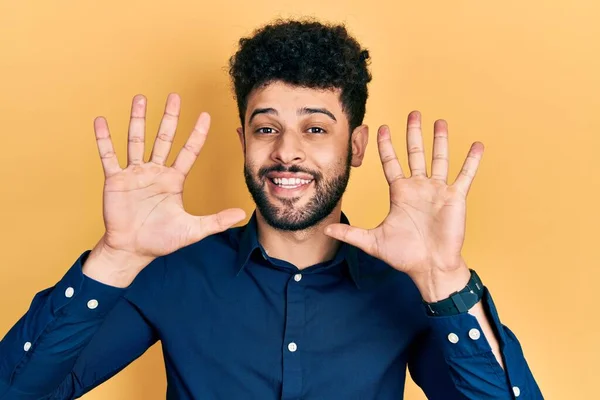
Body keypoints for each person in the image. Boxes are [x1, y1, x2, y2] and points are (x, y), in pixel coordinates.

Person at [0, 19, 543, 400]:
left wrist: (445, 280)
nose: (287, 151)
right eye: (267, 128)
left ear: (354, 146)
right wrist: (114, 258)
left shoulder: (407, 287)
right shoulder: (174, 272)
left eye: (314, 128)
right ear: (243, 141)